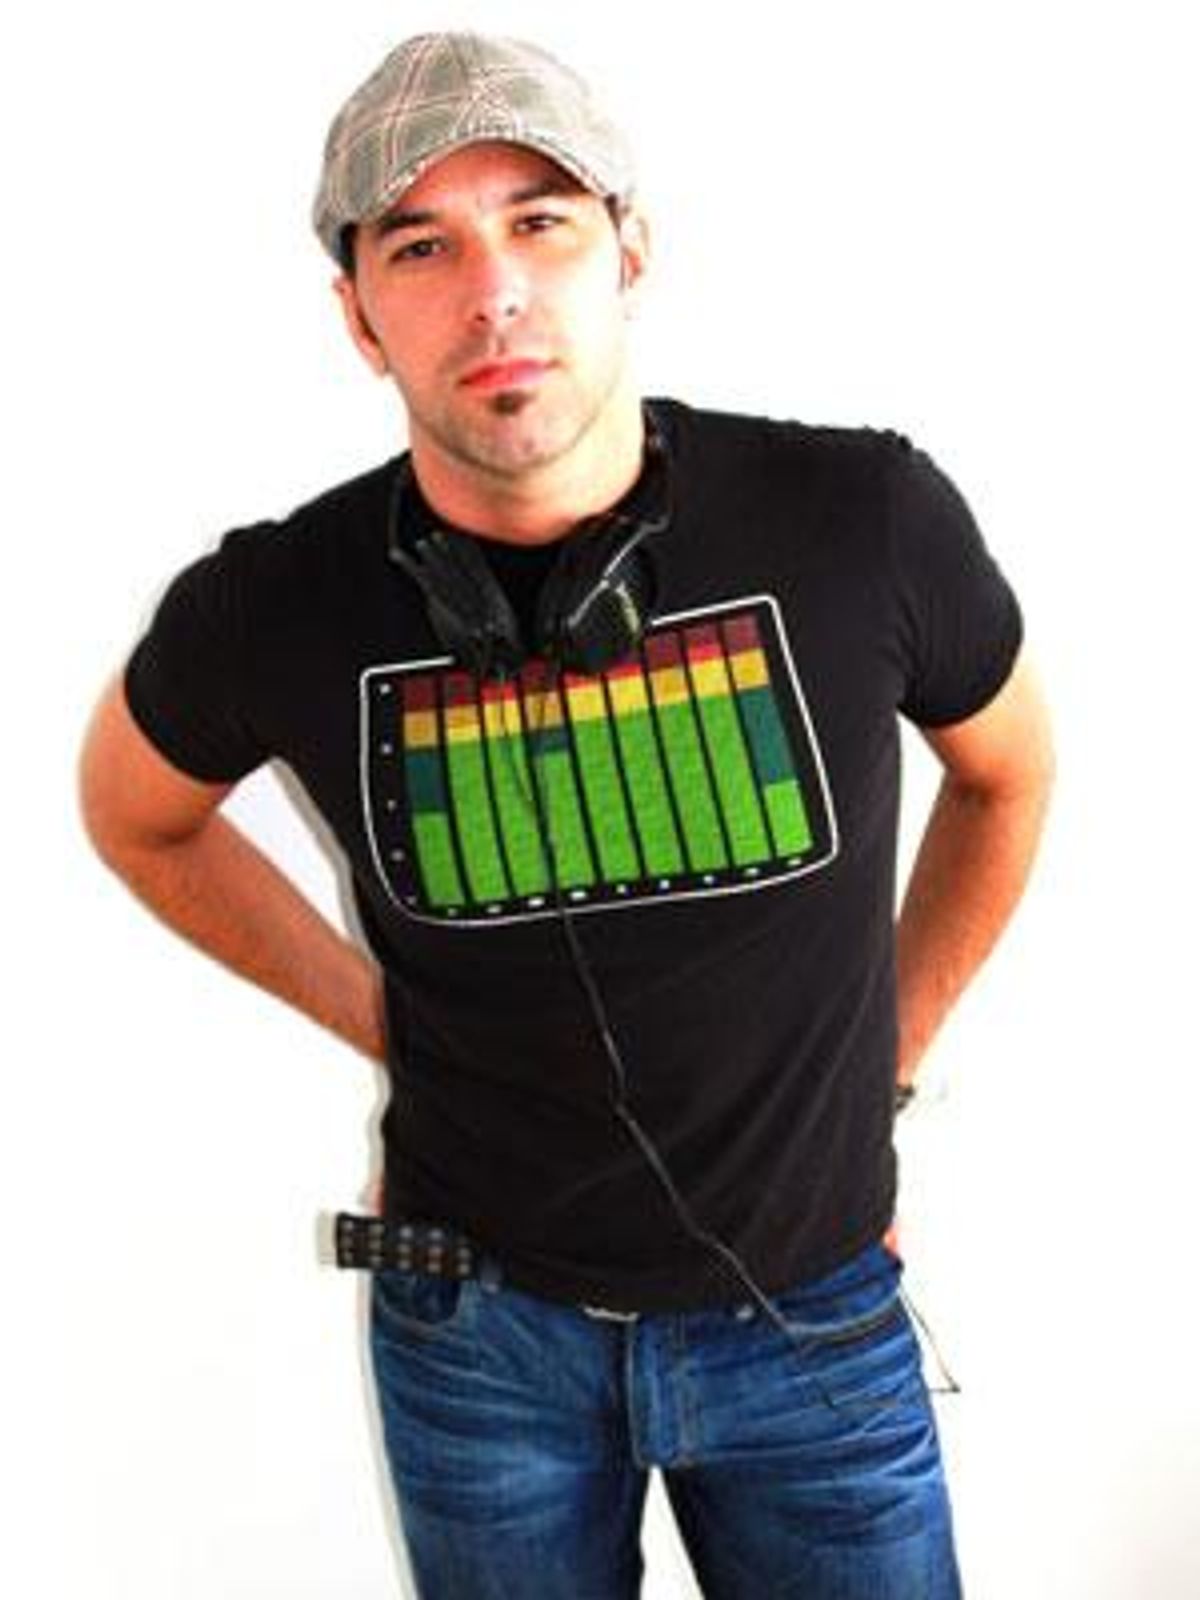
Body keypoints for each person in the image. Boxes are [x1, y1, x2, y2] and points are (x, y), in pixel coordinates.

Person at [79, 30, 1054, 1600]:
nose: (494, 292)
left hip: (813, 1329)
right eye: (422, 247)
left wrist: (890, 1056)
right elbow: (135, 813)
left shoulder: (860, 520)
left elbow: (1009, 772)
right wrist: (384, 1020)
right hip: (481, 1344)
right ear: (357, 315)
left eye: (540, 221)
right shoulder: (274, 603)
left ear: (631, 251)